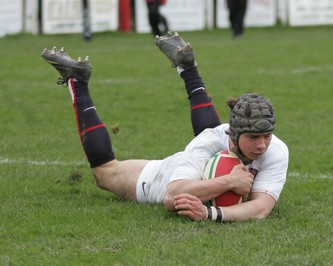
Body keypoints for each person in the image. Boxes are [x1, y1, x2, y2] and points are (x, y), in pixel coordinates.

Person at [40, 32, 289, 222]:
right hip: (160, 178)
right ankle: (78, 83)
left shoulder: (276, 149)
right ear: (232, 134)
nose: (262, 145)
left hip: (186, 167)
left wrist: (211, 213)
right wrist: (228, 182)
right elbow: (172, 197)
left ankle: (188, 68)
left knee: (209, 144)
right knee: (105, 174)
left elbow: (261, 208)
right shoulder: (207, 143)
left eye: (267, 136)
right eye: (254, 137)